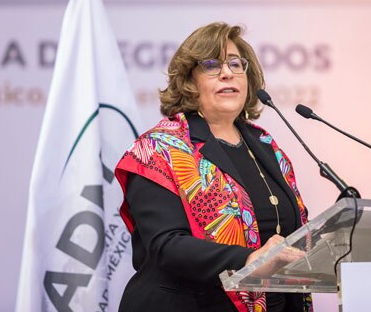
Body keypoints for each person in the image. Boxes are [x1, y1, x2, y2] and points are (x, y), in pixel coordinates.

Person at [114, 22, 313, 312]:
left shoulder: (266, 147)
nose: (227, 72)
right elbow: (167, 246)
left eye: (235, 64)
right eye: (211, 65)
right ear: (190, 82)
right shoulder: (157, 150)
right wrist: (249, 261)